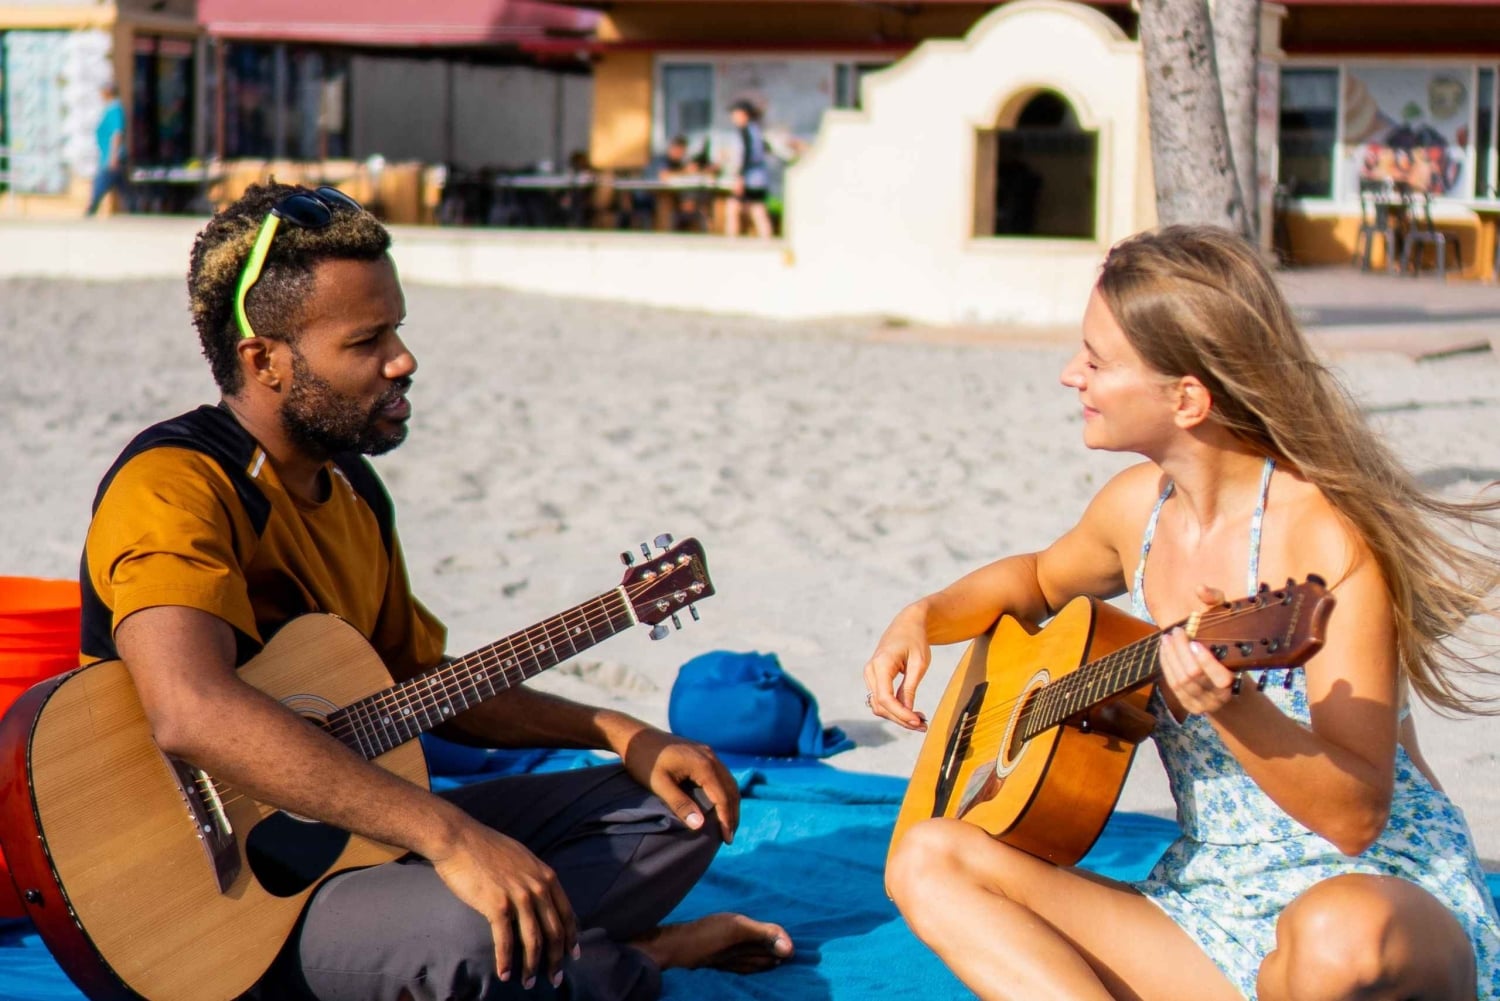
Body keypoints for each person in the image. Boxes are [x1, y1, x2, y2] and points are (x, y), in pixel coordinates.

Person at [80, 181, 792, 1001]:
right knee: (470, 934)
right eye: (367, 339)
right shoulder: (174, 485)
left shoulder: (351, 490)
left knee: (679, 809)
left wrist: (617, 729)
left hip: (357, 838)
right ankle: (643, 959)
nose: (402, 360)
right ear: (264, 359)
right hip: (207, 899)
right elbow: (190, 708)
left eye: (399, 329)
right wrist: (451, 835)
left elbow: (418, 685)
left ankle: (553, 950)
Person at [865, 225, 1500, 1000]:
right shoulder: (1137, 512)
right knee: (928, 857)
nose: (1072, 375)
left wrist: (1233, 708)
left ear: (1188, 398)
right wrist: (924, 615)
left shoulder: (1326, 537)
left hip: (1381, 900)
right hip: (1214, 909)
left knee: (1335, 935)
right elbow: (1033, 578)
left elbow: (1358, 814)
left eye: (1097, 361)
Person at [723, 101, 773, 239]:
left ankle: (731, 242)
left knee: (732, 209)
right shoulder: (756, 130)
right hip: (758, 178)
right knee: (758, 210)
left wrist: (740, 177)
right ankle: (766, 239)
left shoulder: (745, 132)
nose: (733, 117)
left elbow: (745, 156)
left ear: (744, 115)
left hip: (749, 177)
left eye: (735, 113)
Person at [86, 83, 126, 216]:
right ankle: (133, 208)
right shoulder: (109, 109)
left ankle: (91, 210)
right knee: (122, 187)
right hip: (107, 156)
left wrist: (113, 156)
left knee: (100, 184)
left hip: (112, 156)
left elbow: (117, 133)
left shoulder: (114, 109)